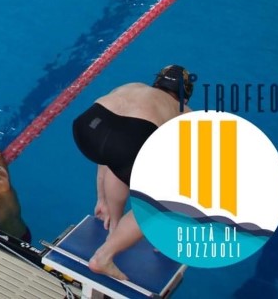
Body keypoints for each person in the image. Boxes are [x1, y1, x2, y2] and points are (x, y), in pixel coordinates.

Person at [72, 64, 196, 280]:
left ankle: (114, 227)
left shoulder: (133, 87)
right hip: (127, 139)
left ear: (157, 82)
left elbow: (111, 151)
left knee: (121, 158)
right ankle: (103, 257)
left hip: (87, 128)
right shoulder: (184, 112)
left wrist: (102, 198)